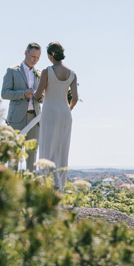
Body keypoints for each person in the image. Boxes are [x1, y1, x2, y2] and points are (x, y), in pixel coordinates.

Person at [33, 42, 78, 190]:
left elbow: (38, 94)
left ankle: (48, 185)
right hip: (65, 112)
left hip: (50, 111)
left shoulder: (47, 71)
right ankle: (61, 187)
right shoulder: (72, 73)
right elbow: (75, 98)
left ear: (51, 55)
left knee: (47, 147)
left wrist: (30, 93)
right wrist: (68, 109)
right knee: (62, 149)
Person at [2, 42, 42, 170]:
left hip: (35, 120)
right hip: (16, 120)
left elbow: (41, 98)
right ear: (26, 53)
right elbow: (4, 93)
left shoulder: (40, 74)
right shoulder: (12, 71)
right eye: (33, 56)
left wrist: (41, 96)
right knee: (13, 158)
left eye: (38, 57)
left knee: (32, 160)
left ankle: (29, 188)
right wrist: (23, 94)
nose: (35, 60)